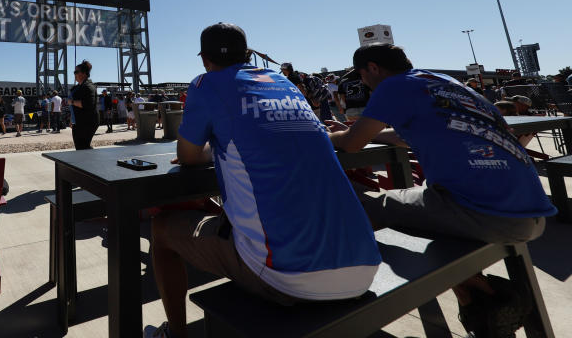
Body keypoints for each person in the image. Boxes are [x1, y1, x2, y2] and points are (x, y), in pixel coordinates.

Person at [146, 24, 381, 338]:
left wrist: (214, 148)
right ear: (247, 53)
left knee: (161, 230)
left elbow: (188, 155)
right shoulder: (283, 82)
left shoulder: (206, 84)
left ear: (205, 60)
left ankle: (175, 334)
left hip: (289, 276)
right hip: (365, 265)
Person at [328, 44, 555, 337]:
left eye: (362, 76)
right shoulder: (446, 84)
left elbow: (351, 145)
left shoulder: (392, 86)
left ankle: (335, 297)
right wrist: (356, 133)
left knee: (364, 208)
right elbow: (403, 134)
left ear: (372, 68)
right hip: (531, 211)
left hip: (488, 213)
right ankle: (482, 301)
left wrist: (331, 135)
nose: (364, 84)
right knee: (424, 216)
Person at [69, 61, 98, 150]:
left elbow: (88, 104)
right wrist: (72, 119)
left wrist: (73, 102)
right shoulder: (78, 87)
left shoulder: (89, 86)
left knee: (82, 147)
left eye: (76, 72)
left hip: (87, 122)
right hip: (78, 122)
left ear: (84, 74)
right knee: (80, 147)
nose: (74, 74)